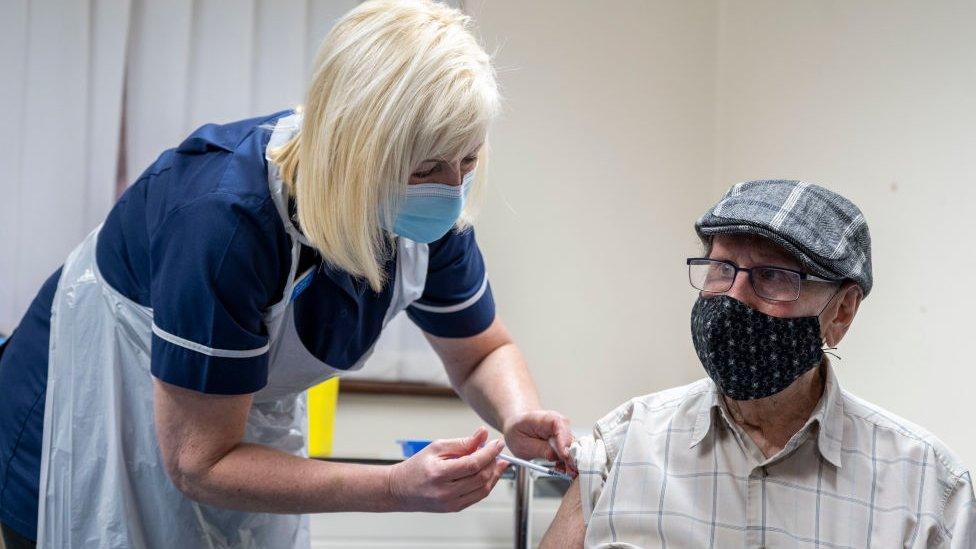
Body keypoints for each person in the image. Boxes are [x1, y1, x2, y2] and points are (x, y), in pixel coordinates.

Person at [0, 1, 574, 547]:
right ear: (355, 151)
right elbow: (200, 461)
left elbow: (480, 352)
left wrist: (518, 414)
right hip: (87, 420)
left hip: (221, 438)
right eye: (424, 167)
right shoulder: (225, 223)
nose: (450, 189)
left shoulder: (426, 219)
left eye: (467, 159)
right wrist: (395, 488)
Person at [541, 180, 975, 548]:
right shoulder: (623, 447)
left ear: (841, 311)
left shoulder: (928, 493)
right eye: (720, 268)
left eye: (772, 276)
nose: (733, 298)